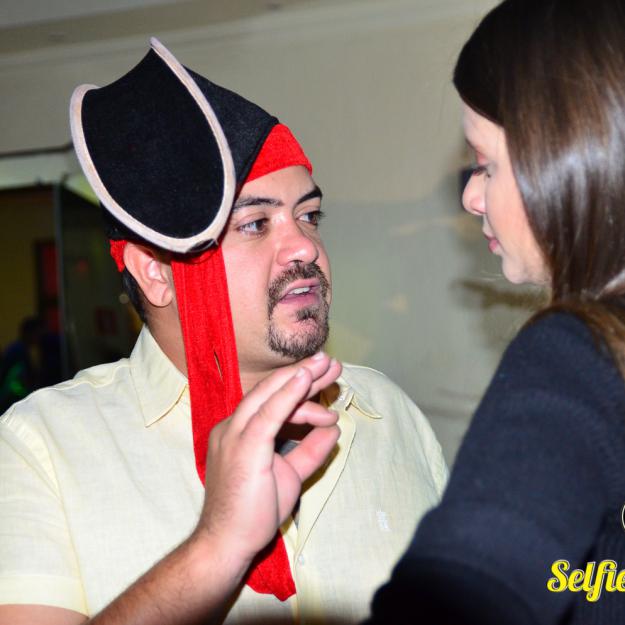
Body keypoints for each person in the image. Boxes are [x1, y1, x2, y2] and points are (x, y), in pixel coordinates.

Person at [0, 39, 447, 624]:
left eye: (309, 215)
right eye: (255, 224)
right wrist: (215, 548)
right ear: (156, 274)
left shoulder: (391, 415)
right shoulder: (42, 448)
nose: (304, 247)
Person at [365, 0, 625, 623]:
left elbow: (461, 596)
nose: (471, 197)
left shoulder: (579, 353)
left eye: (485, 165)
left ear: (565, 158)